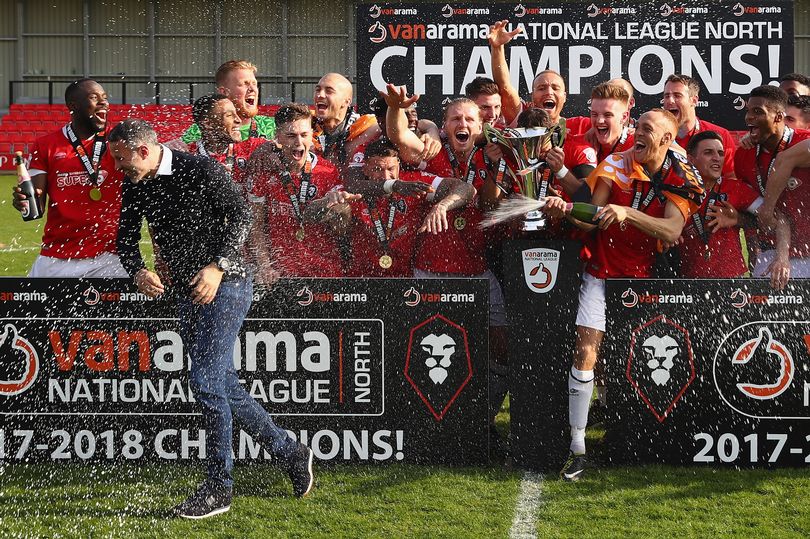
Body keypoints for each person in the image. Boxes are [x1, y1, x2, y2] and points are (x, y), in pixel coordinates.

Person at [110, 119, 314, 519]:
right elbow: (125, 238)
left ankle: (219, 488)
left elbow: (241, 217)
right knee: (223, 384)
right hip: (187, 290)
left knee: (204, 380)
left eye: (121, 159)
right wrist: (137, 270)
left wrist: (217, 266)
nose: (119, 167)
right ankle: (291, 453)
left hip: (230, 283)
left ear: (144, 150)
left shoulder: (199, 169)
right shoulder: (135, 182)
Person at [545, 109, 704, 481]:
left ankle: (646, 439)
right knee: (586, 351)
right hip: (601, 272)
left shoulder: (682, 174)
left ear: (666, 140)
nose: (637, 133)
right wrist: (566, 211)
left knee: (641, 361)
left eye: (646, 129)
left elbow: (669, 230)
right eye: (637, 127)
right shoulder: (616, 162)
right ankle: (578, 446)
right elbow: (592, 216)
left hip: (650, 282)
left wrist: (627, 213)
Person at [12, 78, 128, 277]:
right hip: (57, 257)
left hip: (110, 258)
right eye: (94, 97)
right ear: (73, 106)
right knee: (25, 306)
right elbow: (35, 209)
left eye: (105, 98)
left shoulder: (119, 141)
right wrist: (23, 201)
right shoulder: (46, 145)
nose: (104, 103)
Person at [247, 103, 349, 281]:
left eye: (304, 135)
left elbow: (341, 229)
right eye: (291, 136)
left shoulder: (328, 172)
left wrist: (340, 209)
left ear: (312, 135)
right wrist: (264, 266)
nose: (299, 142)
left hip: (324, 273)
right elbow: (256, 226)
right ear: (277, 137)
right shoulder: (264, 170)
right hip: (279, 274)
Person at [347, 138, 475, 277]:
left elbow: (466, 188)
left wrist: (442, 206)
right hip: (361, 280)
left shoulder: (412, 184)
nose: (386, 176)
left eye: (391, 169)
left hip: (405, 280)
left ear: (399, 166)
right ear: (365, 169)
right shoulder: (355, 192)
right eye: (377, 169)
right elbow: (334, 204)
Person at [679, 131, 790, 287]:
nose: (716, 158)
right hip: (687, 281)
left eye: (720, 153)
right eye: (708, 153)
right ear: (690, 160)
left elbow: (776, 220)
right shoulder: (678, 192)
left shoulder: (735, 188)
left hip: (732, 279)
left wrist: (738, 219)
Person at [738, 85, 810, 279]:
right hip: (770, 254)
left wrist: (768, 209)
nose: (748, 118)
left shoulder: (804, 141)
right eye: (748, 111)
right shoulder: (744, 154)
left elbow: (784, 160)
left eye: (757, 112)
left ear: (779, 117)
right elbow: (751, 207)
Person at [487, 21, 570, 129]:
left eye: (555, 88)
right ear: (532, 96)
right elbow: (504, 88)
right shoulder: (522, 119)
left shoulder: (580, 125)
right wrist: (497, 48)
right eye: (541, 88)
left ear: (564, 97)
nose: (549, 92)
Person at [181, 60, 276, 145]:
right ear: (224, 92)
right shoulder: (200, 130)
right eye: (244, 84)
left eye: (254, 84)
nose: (252, 89)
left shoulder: (272, 126)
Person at [662, 74, 737, 178]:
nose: (670, 101)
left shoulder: (720, 135)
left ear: (694, 101)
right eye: (667, 96)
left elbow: (730, 178)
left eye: (677, 95)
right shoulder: (656, 135)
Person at [187, 93, 266, 185]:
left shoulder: (252, 149)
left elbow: (281, 145)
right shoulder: (188, 156)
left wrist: (272, 148)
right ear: (207, 124)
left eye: (236, 114)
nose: (238, 120)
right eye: (229, 115)